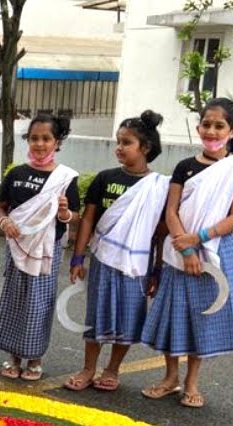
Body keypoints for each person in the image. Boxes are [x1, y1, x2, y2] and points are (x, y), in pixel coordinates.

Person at [140, 97, 233, 408]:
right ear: (198, 127)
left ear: (232, 131)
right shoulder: (185, 167)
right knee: (172, 313)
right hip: (179, 251)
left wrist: (201, 238)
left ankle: (191, 381)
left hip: (216, 252)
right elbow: (172, 211)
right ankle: (170, 377)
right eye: (206, 124)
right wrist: (187, 246)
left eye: (219, 126)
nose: (212, 131)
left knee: (200, 316)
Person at [65, 110, 170, 392]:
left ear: (145, 148)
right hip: (103, 257)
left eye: (126, 143)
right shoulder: (104, 178)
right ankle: (88, 368)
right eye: (118, 141)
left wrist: (157, 269)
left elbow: (160, 232)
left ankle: (112, 369)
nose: (119, 148)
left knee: (129, 315)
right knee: (96, 313)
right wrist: (78, 256)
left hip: (137, 264)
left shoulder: (159, 187)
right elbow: (88, 218)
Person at [0, 112, 81, 382]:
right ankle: (14, 357)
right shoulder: (16, 174)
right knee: (15, 301)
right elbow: (0, 208)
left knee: (39, 304)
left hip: (47, 250)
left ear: (57, 142)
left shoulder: (65, 178)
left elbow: (74, 217)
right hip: (17, 245)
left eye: (46, 139)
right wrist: (4, 221)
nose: (39, 144)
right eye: (34, 138)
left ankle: (35, 359)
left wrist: (65, 212)